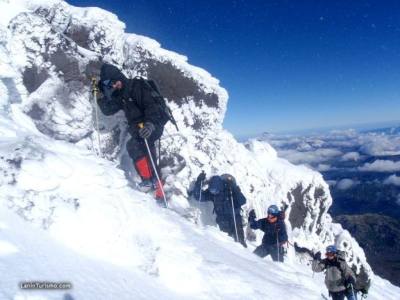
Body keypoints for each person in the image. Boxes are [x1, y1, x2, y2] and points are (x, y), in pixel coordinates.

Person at [97, 63, 167, 204]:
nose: (115, 86)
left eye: (114, 82)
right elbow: (108, 110)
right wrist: (100, 93)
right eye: (110, 85)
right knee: (141, 151)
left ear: (119, 77)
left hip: (154, 124)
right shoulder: (120, 94)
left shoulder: (137, 86)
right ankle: (153, 184)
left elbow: (151, 107)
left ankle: (152, 185)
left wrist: (150, 124)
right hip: (139, 128)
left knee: (135, 146)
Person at [191, 172, 247, 247]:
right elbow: (199, 196)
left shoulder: (230, 190)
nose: (214, 193)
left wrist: (235, 189)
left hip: (235, 218)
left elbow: (243, 201)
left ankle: (244, 254)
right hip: (222, 220)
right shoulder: (212, 193)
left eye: (215, 191)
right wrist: (199, 182)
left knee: (240, 241)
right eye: (212, 191)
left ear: (220, 187)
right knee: (227, 241)